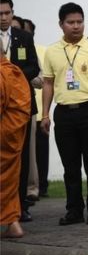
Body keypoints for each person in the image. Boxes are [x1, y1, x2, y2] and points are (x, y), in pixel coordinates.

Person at [41, 2, 88, 225]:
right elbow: (48, 84)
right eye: (71, 22)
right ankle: (74, 209)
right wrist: (45, 114)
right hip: (64, 113)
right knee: (70, 165)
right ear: (61, 24)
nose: (76, 26)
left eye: (79, 22)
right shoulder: (52, 51)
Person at [1, 0, 40, 223]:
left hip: (21, 106)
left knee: (22, 157)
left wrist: (12, 78)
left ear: (13, 12)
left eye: (7, 13)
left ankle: (21, 206)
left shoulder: (23, 37)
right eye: (0, 14)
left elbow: (33, 66)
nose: (4, 18)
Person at [0, 46, 31, 238]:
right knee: (10, 180)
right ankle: (13, 224)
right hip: (12, 135)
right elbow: (23, 107)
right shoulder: (15, 72)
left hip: (2, 132)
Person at [23, 19, 50, 198]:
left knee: (40, 152)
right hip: (25, 109)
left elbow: (45, 79)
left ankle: (42, 186)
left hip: (39, 109)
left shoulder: (42, 51)